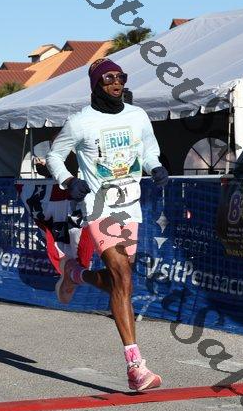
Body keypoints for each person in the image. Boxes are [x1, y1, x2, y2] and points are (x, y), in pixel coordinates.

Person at [46, 58, 168, 392]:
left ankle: (75, 274)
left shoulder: (137, 115)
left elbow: (148, 149)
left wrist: (155, 166)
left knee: (121, 282)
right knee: (123, 277)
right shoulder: (80, 122)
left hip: (130, 206)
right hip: (99, 207)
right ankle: (135, 367)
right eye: (108, 78)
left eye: (120, 77)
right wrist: (69, 180)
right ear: (96, 84)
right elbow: (55, 155)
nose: (116, 83)